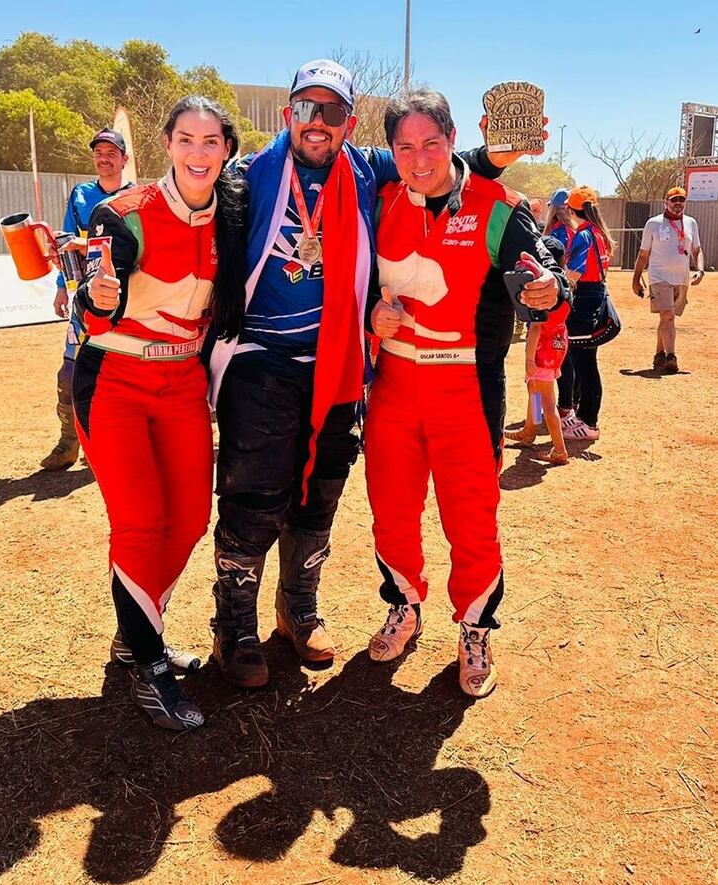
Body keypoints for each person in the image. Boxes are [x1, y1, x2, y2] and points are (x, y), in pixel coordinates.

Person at [206, 59, 523, 690]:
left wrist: (494, 156)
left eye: (331, 112)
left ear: (350, 123)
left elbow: (434, 166)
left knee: (321, 495)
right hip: (262, 365)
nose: (317, 122)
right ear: (285, 114)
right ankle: (234, 628)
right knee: (255, 498)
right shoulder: (246, 178)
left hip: (339, 368)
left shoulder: (368, 170)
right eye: (305, 108)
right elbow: (184, 213)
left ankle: (298, 610)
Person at [364, 89, 567, 697]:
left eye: (431, 143)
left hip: (465, 388)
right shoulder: (380, 200)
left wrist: (549, 290)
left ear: (453, 141)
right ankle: (404, 604)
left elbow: (547, 272)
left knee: (471, 519)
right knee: (392, 510)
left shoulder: (495, 206)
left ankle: (475, 627)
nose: (419, 157)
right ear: (392, 149)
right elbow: (349, 281)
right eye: (405, 145)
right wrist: (372, 316)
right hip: (394, 387)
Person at [72, 97, 246, 731]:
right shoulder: (122, 213)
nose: (198, 153)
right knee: (141, 522)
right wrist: (97, 298)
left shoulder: (232, 214)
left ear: (226, 149)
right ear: (167, 144)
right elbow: (86, 314)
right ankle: (149, 666)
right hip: (115, 377)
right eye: (186, 140)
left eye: (210, 142)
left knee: (191, 520)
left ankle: (135, 632)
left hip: (182, 382)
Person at [41, 129, 134, 471]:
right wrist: (61, 287)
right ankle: (68, 443)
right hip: (83, 298)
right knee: (69, 374)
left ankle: (109, 443)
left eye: (112, 152)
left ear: (125, 159)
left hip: (125, 302)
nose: (104, 158)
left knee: (118, 376)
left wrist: (90, 245)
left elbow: (138, 249)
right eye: (99, 152)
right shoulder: (81, 194)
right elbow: (66, 242)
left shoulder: (137, 196)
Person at [505, 235, 571, 465]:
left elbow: (534, 329)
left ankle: (559, 450)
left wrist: (528, 360)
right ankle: (529, 430)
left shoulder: (540, 293)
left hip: (542, 352)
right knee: (535, 391)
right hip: (557, 347)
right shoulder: (561, 288)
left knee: (547, 401)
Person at [559, 185, 615, 441]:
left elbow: (574, 274)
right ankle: (584, 417)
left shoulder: (583, 235)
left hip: (584, 300)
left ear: (571, 209)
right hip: (596, 295)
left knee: (586, 365)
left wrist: (557, 285)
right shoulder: (599, 233)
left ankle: (589, 423)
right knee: (587, 362)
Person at [631, 186, 704, 373]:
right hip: (659, 277)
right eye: (674, 200)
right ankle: (672, 357)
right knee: (668, 316)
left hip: (681, 278)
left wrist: (700, 269)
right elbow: (643, 254)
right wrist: (636, 278)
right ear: (666, 202)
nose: (678, 203)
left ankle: (659, 354)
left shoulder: (691, 223)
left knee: (667, 319)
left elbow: (696, 250)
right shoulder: (653, 224)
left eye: (681, 200)